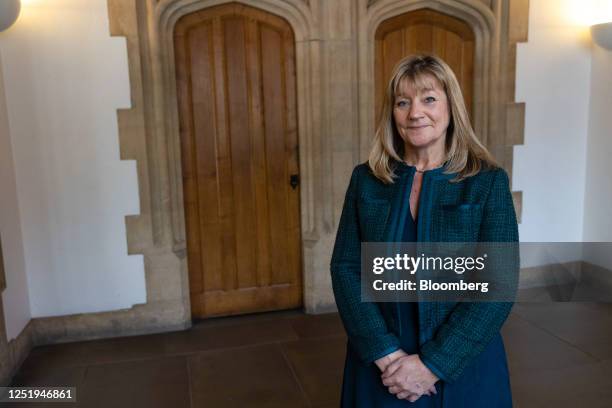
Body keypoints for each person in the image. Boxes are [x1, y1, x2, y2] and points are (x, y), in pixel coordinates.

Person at [330, 54, 519, 407]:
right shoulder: (366, 180)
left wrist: (434, 364)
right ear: (393, 113)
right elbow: (345, 268)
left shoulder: (487, 182)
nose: (415, 112)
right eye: (403, 102)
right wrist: (385, 354)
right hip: (381, 364)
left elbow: (498, 285)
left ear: (451, 108)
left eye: (428, 99)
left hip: (462, 363)